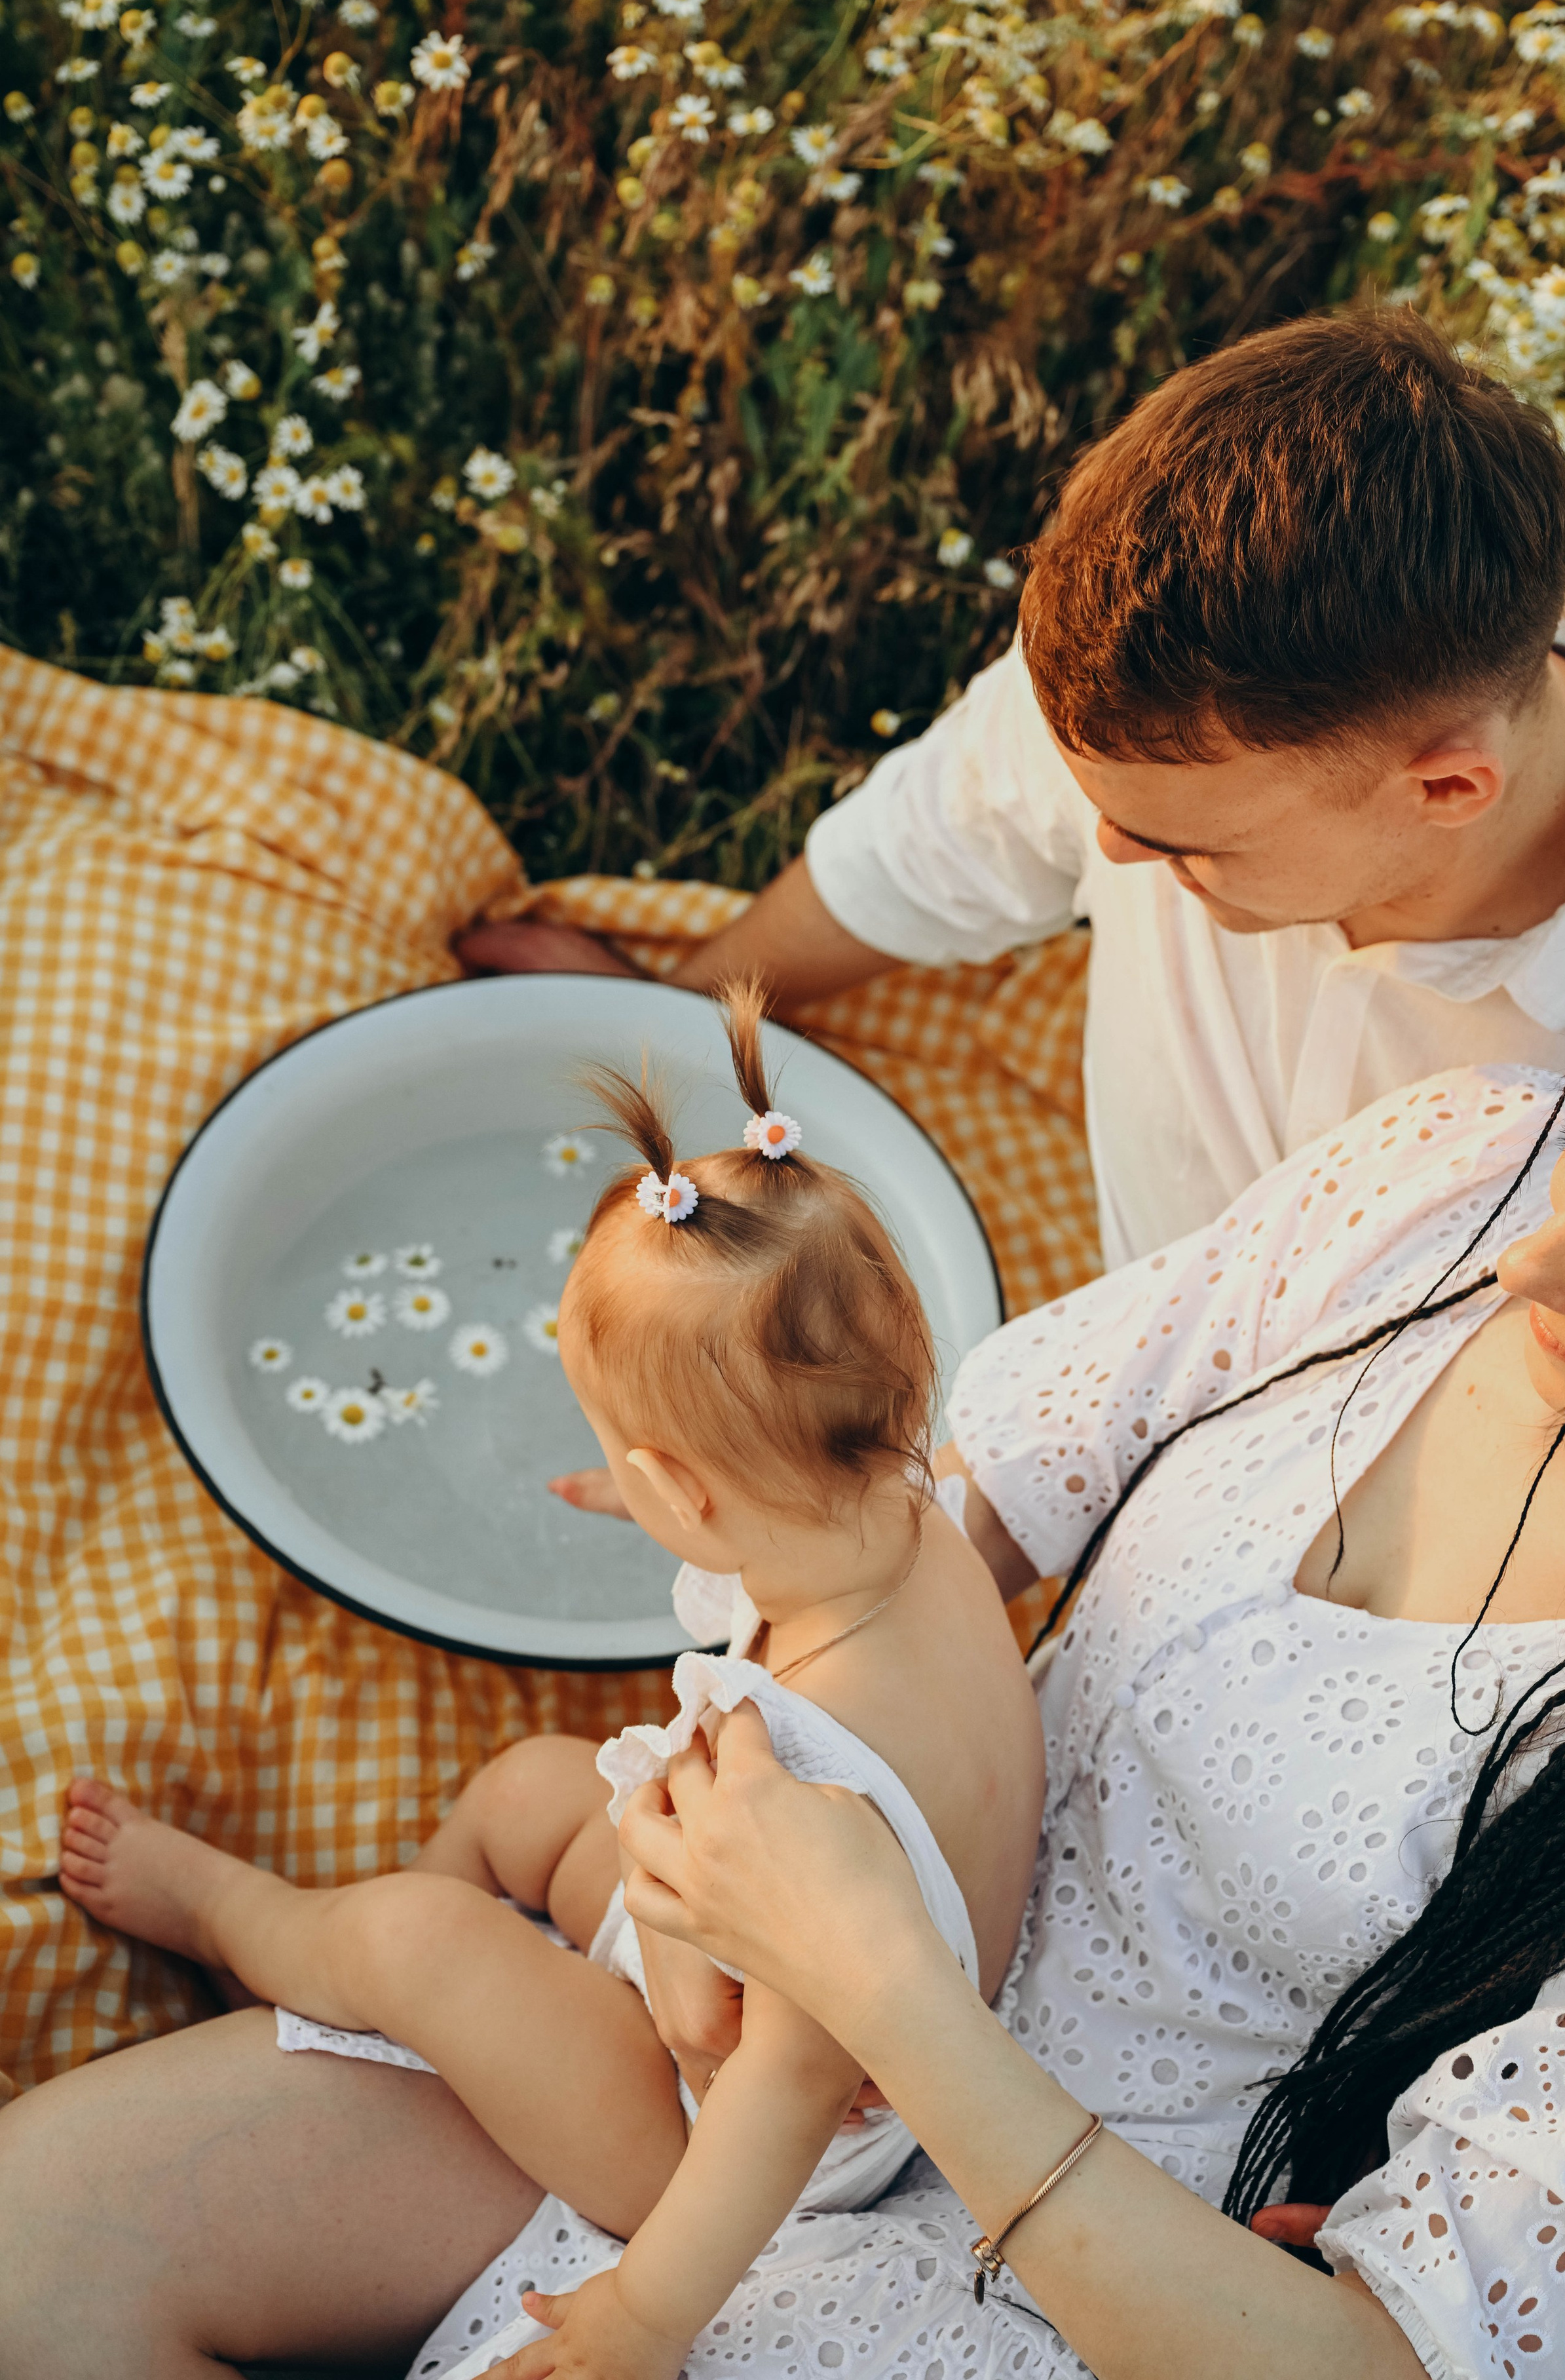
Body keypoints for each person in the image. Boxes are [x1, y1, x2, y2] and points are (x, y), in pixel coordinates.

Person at [9, 980, 1565, 2379]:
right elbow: (984, 1472)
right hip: (790, 1966)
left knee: (416, 1941)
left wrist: (844, 1989)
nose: (1526, 1261)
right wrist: (713, 1802)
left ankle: (283, 1940)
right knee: (34, 2261)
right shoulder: (1459, 1162)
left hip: (1002, 2226)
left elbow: (1385, 2353)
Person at [50, 987, 1042, 2380]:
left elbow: (789, 2084)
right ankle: (430, 1989)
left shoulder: (810, 1790)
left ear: (679, 1493)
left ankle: (257, 1928)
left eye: (623, 1461)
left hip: (731, 2137)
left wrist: (649, 2314)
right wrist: (676, 1494)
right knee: (530, 1787)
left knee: (415, 1938)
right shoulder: (909, 1522)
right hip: (733, 1953)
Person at [461, 309, 1565, 1275]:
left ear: (1450, 785)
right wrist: (688, 1028)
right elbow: (922, 850)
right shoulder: (1180, 703)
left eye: (1183, 846)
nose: (1108, 851)